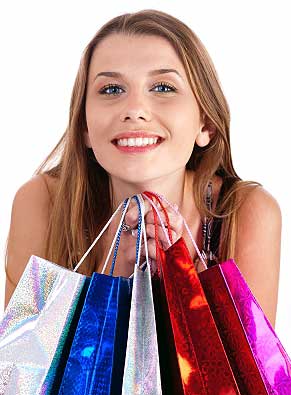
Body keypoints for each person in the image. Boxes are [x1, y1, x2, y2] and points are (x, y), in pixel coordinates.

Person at [4, 9, 281, 329]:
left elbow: (249, 376)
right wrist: (112, 285)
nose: (134, 110)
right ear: (84, 128)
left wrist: (181, 288)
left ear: (205, 124)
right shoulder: (42, 203)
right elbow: (20, 373)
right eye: (111, 90)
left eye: (163, 87)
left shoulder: (244, 213)